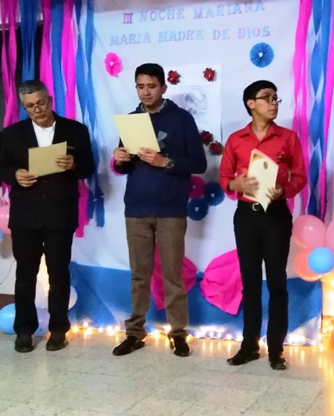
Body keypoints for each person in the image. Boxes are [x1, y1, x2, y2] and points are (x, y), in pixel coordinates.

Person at [112, 63, 207, 358]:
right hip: (136, 208)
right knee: (139, 275)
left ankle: (177, 333)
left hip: (170, 209)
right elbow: (124, 167)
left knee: (172, 275)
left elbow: (199, 164)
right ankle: (134, 333)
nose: (146, 92)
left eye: (151, 86)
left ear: (164, 87)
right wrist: (119, 160)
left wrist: (165, 161)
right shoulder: (131, 121)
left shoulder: (182, 119)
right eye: (140, 86)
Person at [0, 80, 95, 353]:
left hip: (60, 212)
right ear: (24, 107)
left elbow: (88, 168)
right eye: (30, 106)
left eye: (41, 103)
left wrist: (74, 164)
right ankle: (24, 330)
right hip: (25, 214)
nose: (37, 110)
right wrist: (15, 175)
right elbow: (1, 167)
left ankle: (59, 329)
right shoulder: (12, 134)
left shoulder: (75, 130)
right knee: (25, 275)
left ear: (50, 101)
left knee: (59, 274)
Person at [219, 80, 306, 370]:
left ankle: (276, 349)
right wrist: (236, 184)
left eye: (275, 98)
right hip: (246, 216)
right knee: (250, 283)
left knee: (277, 283)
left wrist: (284, 190)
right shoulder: (236, 140)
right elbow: (224, 178)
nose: (273, 103)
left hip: (276, 216)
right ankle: (249, 346)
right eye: (266, 98)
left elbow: (300, 177)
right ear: (250, 104)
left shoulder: (288, 138)